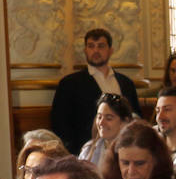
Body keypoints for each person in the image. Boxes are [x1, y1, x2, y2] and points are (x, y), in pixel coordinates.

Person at [50, 28, 144, 156]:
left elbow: (135, 117)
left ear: (110, 50)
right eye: (91, 46)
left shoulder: (126, 83)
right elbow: (60, 124)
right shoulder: (69, 84)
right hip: (87, 152)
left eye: (101, 46)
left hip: (125, 150)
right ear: (85, 50)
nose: (95, 51)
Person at [79, 92, 136, 174]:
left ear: (125, 122)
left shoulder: (133, 152)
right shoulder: (88, 150)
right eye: (99, 117)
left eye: (109, 118)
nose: (101, 123)